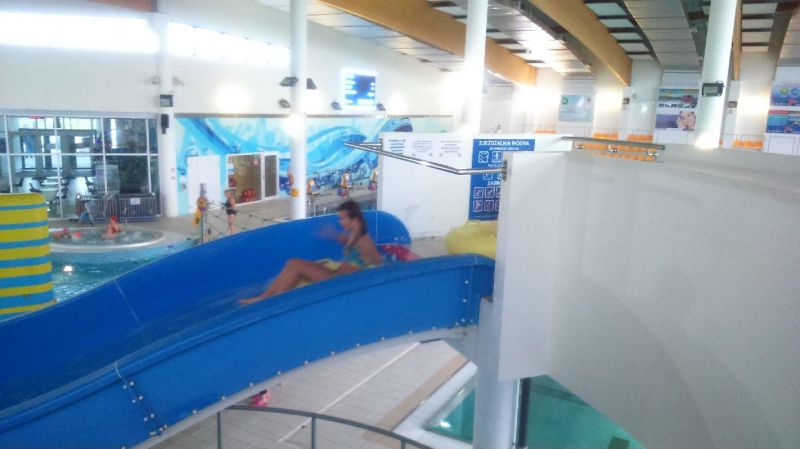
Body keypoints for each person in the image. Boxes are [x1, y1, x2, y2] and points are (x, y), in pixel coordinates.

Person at [239, 200, 383, 304]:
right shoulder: (353, 233)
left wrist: (360, 278)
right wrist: (334, 236)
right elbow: (351, 246)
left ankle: (271, 301)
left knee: (296, 265)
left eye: (342, 218)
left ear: (354, 219)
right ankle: (264, 297)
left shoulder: (364, 239)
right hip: (338, 274)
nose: (340, 222)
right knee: (292, 262)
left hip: (340, 281)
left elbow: (378, 263)